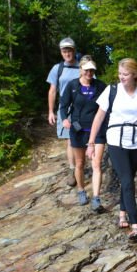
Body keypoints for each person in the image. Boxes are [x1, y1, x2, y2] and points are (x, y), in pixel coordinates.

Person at [87, 58, 137, 241]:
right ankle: (135, 227)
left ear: (135, 75)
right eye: (120, 74)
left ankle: (122, 213)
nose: (121, 77)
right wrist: (91, 143)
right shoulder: (111, 91)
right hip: (115, 141)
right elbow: (98, 118)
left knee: (127, 178)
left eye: (125, 74)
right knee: (128, 181)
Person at [60, 56, 108, 207]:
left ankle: (96, 198)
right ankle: (81, 190)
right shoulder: (72, 86)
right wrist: (64, 119)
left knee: (96, 164)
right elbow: (63, 105)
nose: (89, 73)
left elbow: (110, 103)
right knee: (80, 163)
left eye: (92, 70)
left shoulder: (100, 86)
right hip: (78, 130)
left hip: (97, 130)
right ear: (81, 70)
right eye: (86, 70)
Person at [46, 38, 83, 186]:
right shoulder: (57, 69)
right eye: (64, 50)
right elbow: (53, 91)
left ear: (74, 50)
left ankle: (81, 167)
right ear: (61, 52)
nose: (67, 53)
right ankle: (73, 170)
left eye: (69, 50)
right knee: (70, 140)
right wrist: (50, 111)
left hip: (82, 109)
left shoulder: (82, 67)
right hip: (65, 109)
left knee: (82, 137)